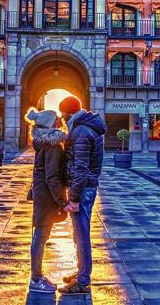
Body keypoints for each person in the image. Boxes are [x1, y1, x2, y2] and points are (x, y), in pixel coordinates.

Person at [58, 96, 107, 295]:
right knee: (79, 233)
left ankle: (83, 280)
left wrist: (74, 199)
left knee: (81, 234)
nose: (61, 118)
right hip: (87, 186)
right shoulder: (86, 128)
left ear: (67, 113)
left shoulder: (80, 132)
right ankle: (81, 272)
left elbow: (80, 167)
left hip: (83, 188)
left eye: (62, 113)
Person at [25, 108, 68, 293]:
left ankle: (37, 277)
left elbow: (40, 172)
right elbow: (52, 177)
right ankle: (36, 279)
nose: (60, 120)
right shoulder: (53, 146)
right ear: (51, 123)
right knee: (40, 237)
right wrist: (62, 201)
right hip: (47, 198)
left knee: (40, 236)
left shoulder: (42, 144)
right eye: (57, 118)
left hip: (41, 195)